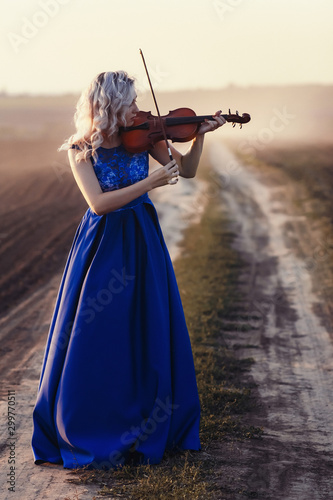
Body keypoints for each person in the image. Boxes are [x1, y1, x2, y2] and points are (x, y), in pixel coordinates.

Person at [31, 70, 226, 470]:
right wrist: (150, 183)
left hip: (142, 239)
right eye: (132, 103)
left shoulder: (147, 136)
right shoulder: (81, 148)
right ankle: (91, 421)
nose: (140, 111)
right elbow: (99, 204)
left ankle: (144, 417)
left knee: (146, 324)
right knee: (99, 329)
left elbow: (185, 172)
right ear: (110, 105)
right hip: (103, 243)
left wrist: (200, 134)